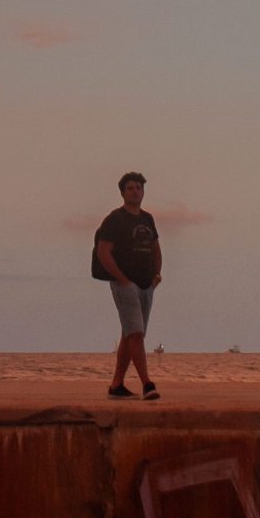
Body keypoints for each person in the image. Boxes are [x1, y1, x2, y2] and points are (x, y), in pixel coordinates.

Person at [93, 170, 162, 400]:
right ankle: (147, 384)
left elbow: (155, 248)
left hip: (146, 285)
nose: (135, 191)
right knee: (136, 334)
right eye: (130, 188)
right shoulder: (115, 219)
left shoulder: (147, 218)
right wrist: (122, 280)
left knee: (129, 333)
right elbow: (104, 252)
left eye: (139, 188)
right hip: (125, 285)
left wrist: (156, 276)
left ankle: (116, 385)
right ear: (122, 192)